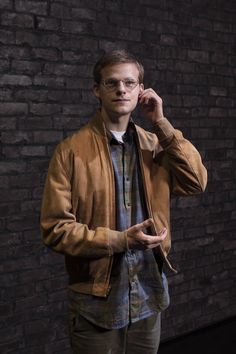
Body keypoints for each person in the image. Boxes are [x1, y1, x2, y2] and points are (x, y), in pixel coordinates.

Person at [40, 49, 207, 354]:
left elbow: (196, 181)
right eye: (111, 83)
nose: (121, 90)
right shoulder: (70, 152)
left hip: (148, 296)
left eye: (130, 83)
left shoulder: (156, 144)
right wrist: (121, 240)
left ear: (141, 91)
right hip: (96, 306)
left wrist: (162, 123)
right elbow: (55, 229)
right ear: (96, 90)